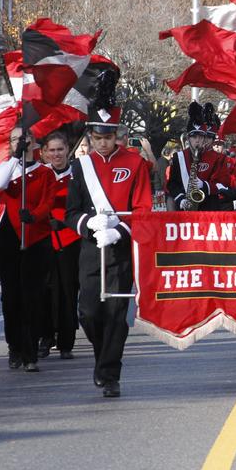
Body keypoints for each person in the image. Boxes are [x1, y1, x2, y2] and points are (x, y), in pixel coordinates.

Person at [65, 99, 152, 398]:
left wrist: (118, 232)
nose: (103, 143)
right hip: (91, 247)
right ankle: (102, 356)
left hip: (121, 247)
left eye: (108, 137)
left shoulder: (135, 164)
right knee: (88, 313)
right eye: (97, 138)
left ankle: (110, 373)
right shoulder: (80, 166)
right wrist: (89, 224)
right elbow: (70, 212)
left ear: (119, 136)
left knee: (116, 313)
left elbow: (142, 209)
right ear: (90, 136)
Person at [0, 127, 56, 373]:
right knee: (10, 296)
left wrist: (35, 216)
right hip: (8, 236)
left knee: (33, 295)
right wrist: (15, 158)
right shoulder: (6, 167)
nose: (21, 141)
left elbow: (48, 202)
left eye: (24, 138)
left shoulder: (45, 173)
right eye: (15, 139)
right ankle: (14, 347)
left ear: (34, 142)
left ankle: (31, 352)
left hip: (35, 236)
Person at [41, 131, 80, 360]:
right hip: (44, 240)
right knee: (45, 292)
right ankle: (45, 338)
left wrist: (65, 222)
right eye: (52, 150)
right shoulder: (39, 175)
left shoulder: (78, 175)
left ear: (67, 150)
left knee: (67, 291)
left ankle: (66, 342)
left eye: (60, 149)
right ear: (45, 152)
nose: (56, 154)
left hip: (70, 240)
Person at [167, 103, 236, 212]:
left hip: (210, 210)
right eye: (194, 136)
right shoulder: (179, 157)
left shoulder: (218, 158)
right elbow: (172, 184)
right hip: (185, 210)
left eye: (200, 137)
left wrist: (205, 186)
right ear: (188, 138)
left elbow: (224, 185)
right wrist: (180, 199)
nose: (197, 140)